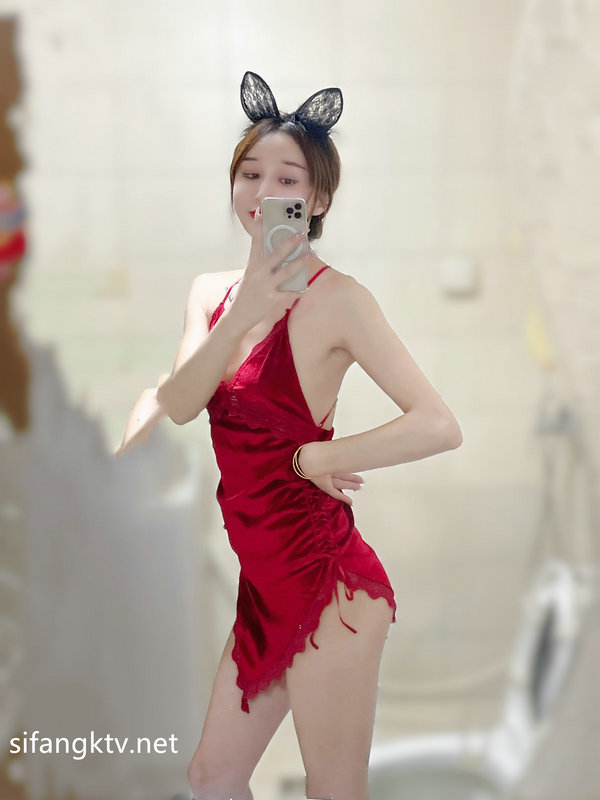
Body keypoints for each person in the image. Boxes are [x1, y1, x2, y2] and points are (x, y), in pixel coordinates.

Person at [116, 72, 463, 800]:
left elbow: (438, 423)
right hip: (264, 586)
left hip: (329, 586)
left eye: (287, 179)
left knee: (330, 788)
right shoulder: (211, 293)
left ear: (319, 199)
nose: (263, 191)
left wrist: (321, 455)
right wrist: (243, 311)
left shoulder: (341, 301)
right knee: (212, 777)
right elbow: (184, 402)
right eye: (250, 174)